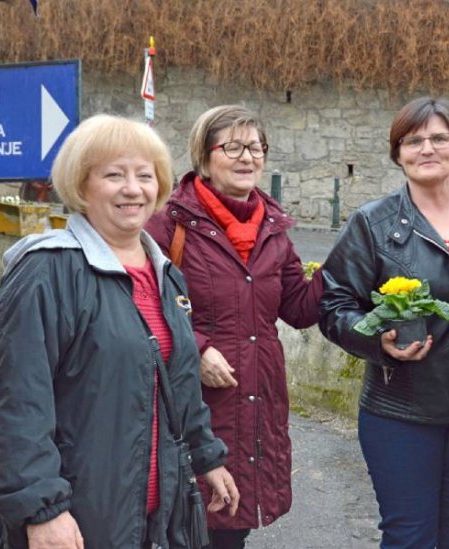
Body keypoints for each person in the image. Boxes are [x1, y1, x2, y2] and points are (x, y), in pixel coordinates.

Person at [0, 114, 239, 549]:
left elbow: (178, 386)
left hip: (159, 515)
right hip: (82, 516)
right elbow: (13, 404)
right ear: (82, 186)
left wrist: (207, 455)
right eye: (113, 175)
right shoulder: (47, 272)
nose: (132, 189)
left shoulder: (166, 276)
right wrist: (44, 510)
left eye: (144, 175)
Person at [319, 97, 449, 548]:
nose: (426, 148)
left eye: (439, 138)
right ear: (398, 153)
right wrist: (378, 341)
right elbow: (333, 304)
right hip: (401, 412)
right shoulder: (372, 224)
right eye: (413, 140)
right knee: (409, 536)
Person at [146, 105, 323, 549]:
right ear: (204, 156)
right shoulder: (169, 221)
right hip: (189, 406)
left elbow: (299, 308)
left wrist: (347, 260)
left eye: (256, 147)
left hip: (254, 406)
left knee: (230, 525)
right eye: (233, 147)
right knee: (182, 522)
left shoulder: (273, 228)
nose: (248, 157)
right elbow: (141, 300)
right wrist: (197, 347)